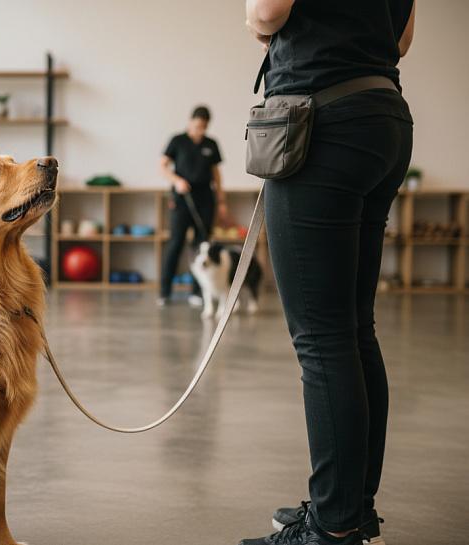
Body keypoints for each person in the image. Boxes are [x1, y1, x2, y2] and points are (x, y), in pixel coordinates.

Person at [239, 1, 415, 545]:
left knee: (324, 338)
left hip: (321, 121)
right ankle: (348, 509)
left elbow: (267, 10)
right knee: (354, 332)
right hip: (382, 117)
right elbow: (401, 39)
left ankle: (334, 527)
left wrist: (257, 23)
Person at [157, 106, 227, 307]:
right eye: (197, 126)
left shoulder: (211, 144)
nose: (200, 130)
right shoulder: (177, 141)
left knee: (201, 245)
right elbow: (162, 166)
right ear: (190, 121)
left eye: (204, 127)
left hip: (205, 198)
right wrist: (177, 180)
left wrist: (221, 201)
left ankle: (197, 292)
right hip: (182, 198)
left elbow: (216, 174)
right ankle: (164, 292)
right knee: (176, 243)